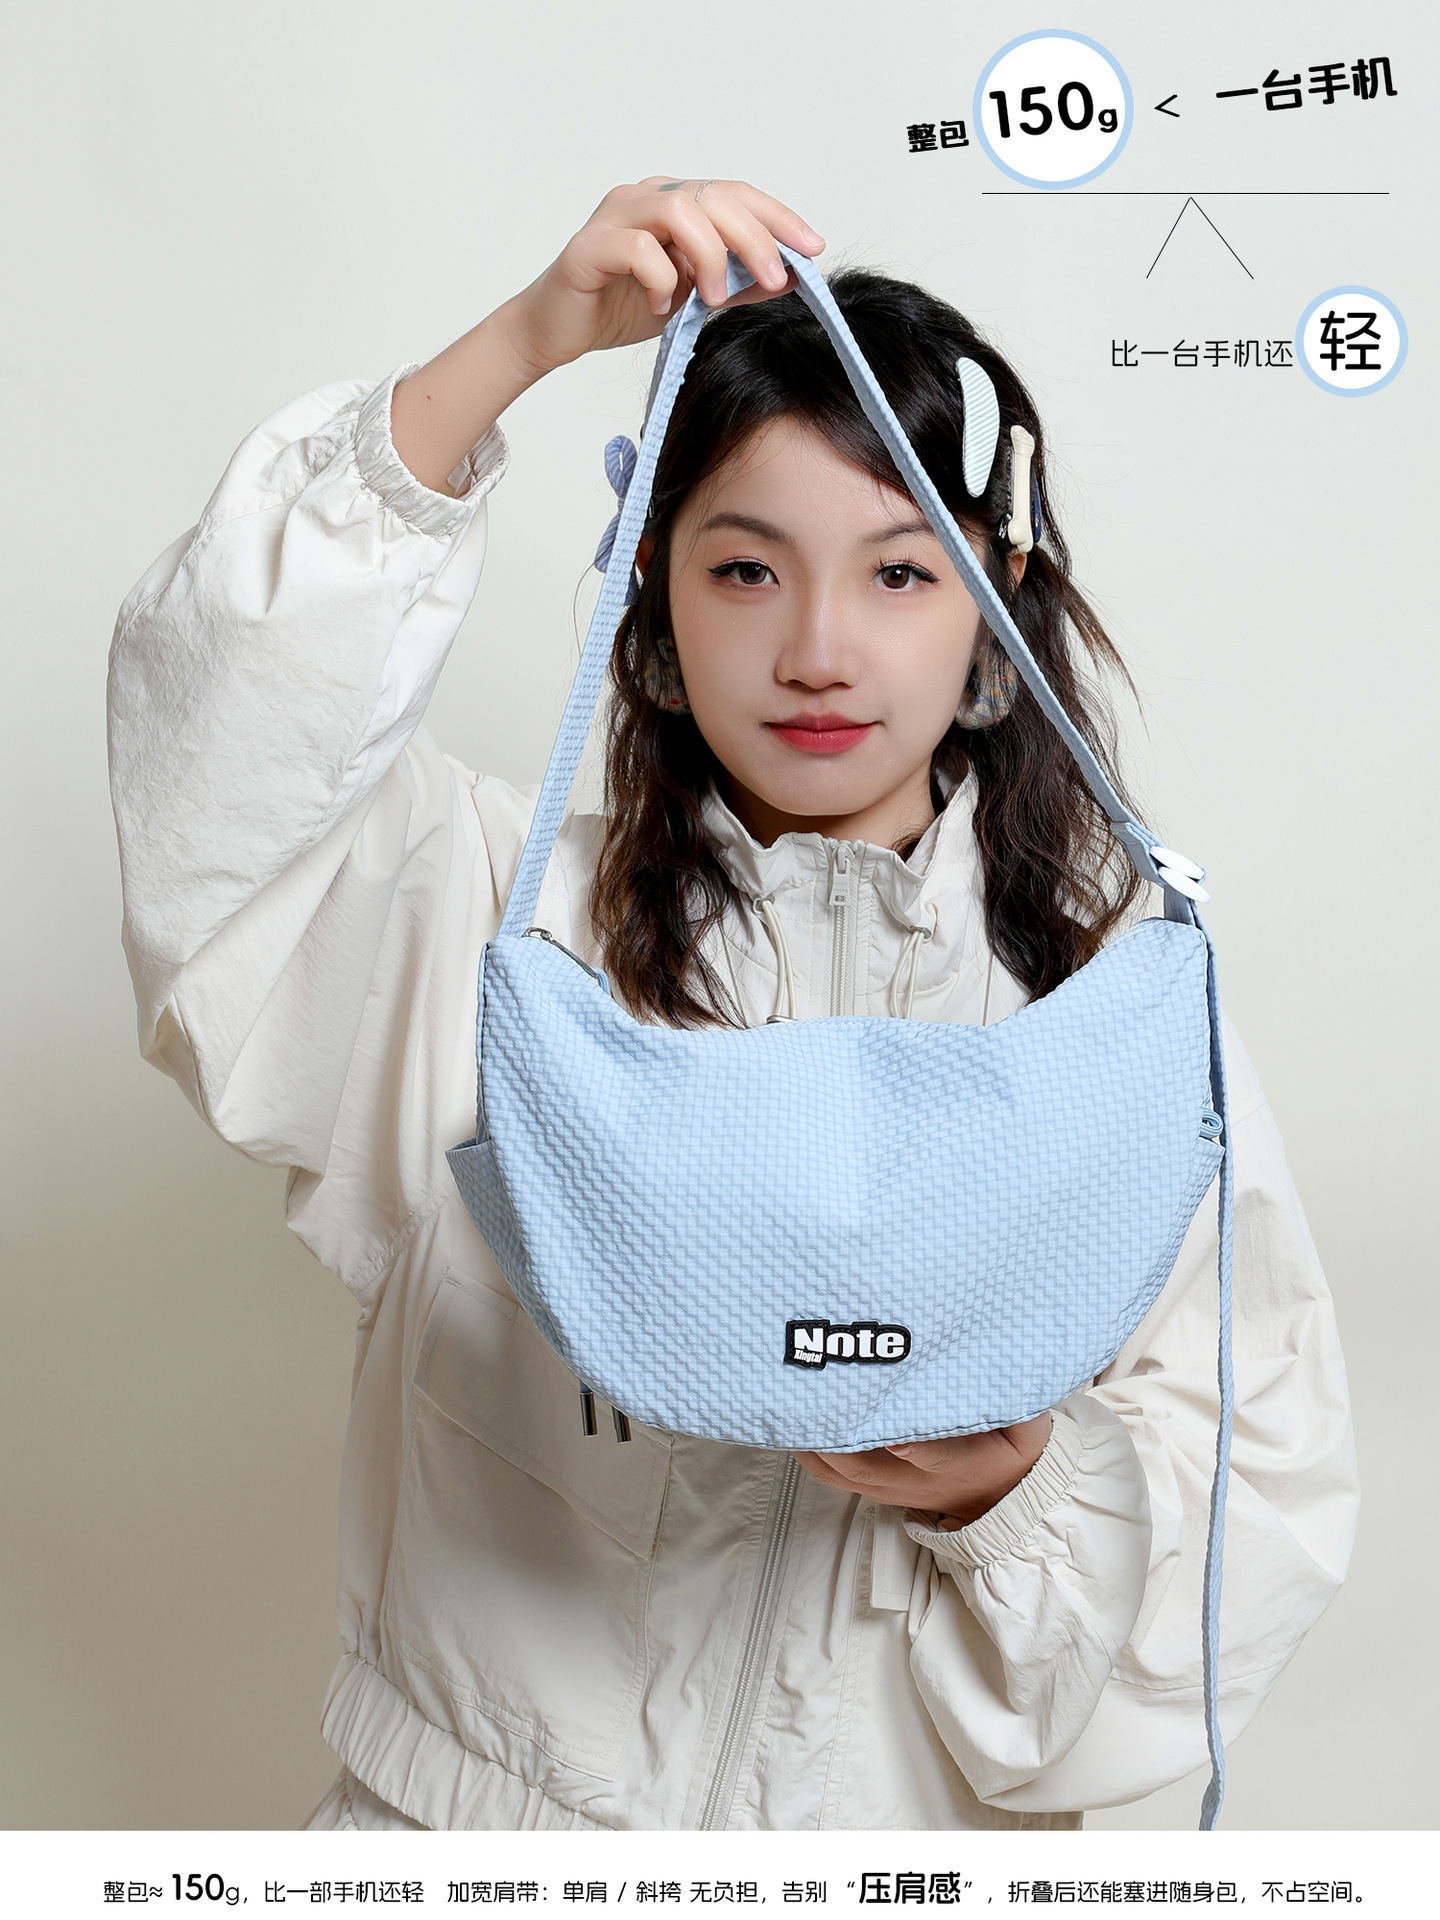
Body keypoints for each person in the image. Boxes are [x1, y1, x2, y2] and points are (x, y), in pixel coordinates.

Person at [107, 178, 1357, 1831]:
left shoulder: (1108, 1015)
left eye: (901, 574)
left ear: (995, 604)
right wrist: (528, 339)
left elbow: (1254, 1486)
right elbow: (224, 771)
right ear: (653, 587)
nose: (822, 649)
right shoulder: (492, 929)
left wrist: (1012, 1493)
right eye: (748, 570)